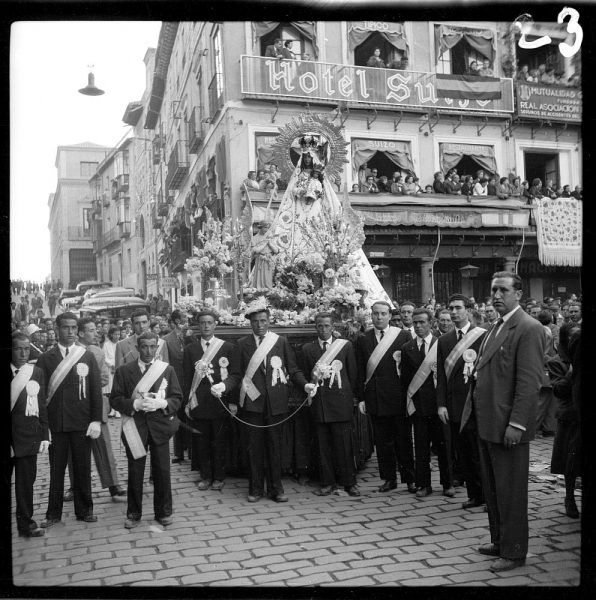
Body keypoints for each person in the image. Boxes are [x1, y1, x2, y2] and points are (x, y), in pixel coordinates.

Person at [460, 271, 546, 572]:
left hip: (508, 425)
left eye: (503, 291)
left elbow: (528, 383)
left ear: (518, 294)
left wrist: (518, 424)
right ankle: (499, 540)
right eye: (493, 290)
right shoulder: (494, 326)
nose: (496, 295)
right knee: (494, 489)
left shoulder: (528, 327)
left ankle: (515, 550)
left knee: (510, 492)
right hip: (487, 422)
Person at [237, 302, 315, 503]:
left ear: (269, 321)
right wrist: (222, 388)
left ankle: (276, 488)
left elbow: (293, 369)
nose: (260, 325)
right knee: (254, 448)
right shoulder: (242, 343)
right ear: (250, 324)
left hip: (275, 403)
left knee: (275, 446)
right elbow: (237, 375)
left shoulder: (279, 342)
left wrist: (305, 385)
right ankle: (255, 488)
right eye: (255, 322)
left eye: (263, 321)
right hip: (252, 403)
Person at [35, 312, 103, 528]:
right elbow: (41, 396)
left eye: (74, 328)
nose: (71, 332)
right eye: (66, 327)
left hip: (81, 423)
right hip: (57, 424)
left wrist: (95, 420)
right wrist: (44, 427)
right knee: (56, 469)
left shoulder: (87, 356)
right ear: (56, 329)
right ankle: (53, 513)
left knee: (82, 467)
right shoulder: (46, 359)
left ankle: (85, 510)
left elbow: (95, 391)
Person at [110, 332, 182, 529]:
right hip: (135, 426)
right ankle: (133, 513)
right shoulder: (124, 371)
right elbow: (115, 399)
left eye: (152, 347)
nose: (148, 351)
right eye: (144, 347)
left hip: (160, 427)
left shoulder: (167, 370)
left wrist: (162, 403)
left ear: (157, 347)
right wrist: (136, 404)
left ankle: (164, 512)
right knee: (135, 471)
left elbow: (177, 398)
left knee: (162, 470)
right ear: (137, 348)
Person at [355, 301, 416, 493]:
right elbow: (359, 372)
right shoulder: (363, 339)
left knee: (403, 440)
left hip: (398, 397)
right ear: (371, 316)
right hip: (376, 398)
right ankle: (389, 478)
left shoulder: (403, 335)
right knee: (382, 442)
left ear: (390, 316)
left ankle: (410, 479)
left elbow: (409, 369)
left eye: (383, 314)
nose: (379, 317)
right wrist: (362, 398)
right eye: (375, 314)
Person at [302, 313, 360, 497]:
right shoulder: (307, 349)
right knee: (323, 446)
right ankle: (327, 483)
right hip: (320, 404)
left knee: (344, 446)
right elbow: (305, 375)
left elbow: (352, 374)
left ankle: (349, 483)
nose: (323, 329)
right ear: (315, 327)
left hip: (340, 403)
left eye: (327, 325)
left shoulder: (344, 346)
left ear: (333, 326)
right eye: (320, 326)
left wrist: (353, 399)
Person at [436, 294, 486, 509]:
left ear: (468, 310)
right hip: (454, 406)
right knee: (464, 454)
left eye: (458, 308)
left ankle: (488, 496)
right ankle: (475, 495)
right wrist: (441, 404)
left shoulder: (483, 336)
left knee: (479, 455)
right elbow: (440, 376)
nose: (454, 312)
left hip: (476, 405)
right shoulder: (444, 340)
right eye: (451, 308)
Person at [183, 310, 241, 490]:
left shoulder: (227, 348)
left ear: (215, 324)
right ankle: (205, 476)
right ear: (198, 325)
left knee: (219, 441)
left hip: (219, 402)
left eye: (209, 322)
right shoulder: (191, 349)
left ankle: (219, 476)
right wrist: (188, 401)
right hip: (199, 402)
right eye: (202, 323)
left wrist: (231, 401)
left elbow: (234, 375)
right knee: (202, 442)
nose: (206, 326)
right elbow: (186, 377)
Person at [401, 308, 454, 499]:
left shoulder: (442, 344)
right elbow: (406, 380)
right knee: (421, 447)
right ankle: (423, 484)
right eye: (415, 323)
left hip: (439, 405)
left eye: (422, 322)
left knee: (443, 446)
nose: (418, 326)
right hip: (419, 406)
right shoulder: (407, 348)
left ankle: (447, 483)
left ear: (431, 323)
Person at [76, 317, 126, 501]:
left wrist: (83, 385)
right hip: (75, 409)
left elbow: (105, 378)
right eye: (90, 330)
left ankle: (114, 485)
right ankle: (75, 488)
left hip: (96, 405)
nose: (95, 333)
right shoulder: (69, 352)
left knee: (104, 447)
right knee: (75, 451)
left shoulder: (97, 351)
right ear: (80, 333)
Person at [11, 332, 50, 537]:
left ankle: (25, 523)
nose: (23, 353)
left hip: (28, 435)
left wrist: (44, 434)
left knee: (26, 483)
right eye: (18, 348)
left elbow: (41, 404)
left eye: (27, 349)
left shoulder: (36, 372)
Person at [548, 323, 581, 518]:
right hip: (569, 416)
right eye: (571, 338)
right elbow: (558, 390)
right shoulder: (557, 361)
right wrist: (572, 373)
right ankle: (569, 497)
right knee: (570, 461)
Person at [163, 310, 191, 464]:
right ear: (173, 323)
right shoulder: (166, 340)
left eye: (186, 320)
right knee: (178, 418)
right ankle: (179, 452)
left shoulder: (192, 336)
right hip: (177, 385)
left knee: (192, 416)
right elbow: (166, 365)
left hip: (192, 383)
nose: (184, 323)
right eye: (180, 320)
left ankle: (193, 451)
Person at [249, 221, 279, 290]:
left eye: (268, 228)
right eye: (265, 227)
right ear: (260, 227)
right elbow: (255, 250)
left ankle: (268, 288)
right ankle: (260, 289)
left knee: (268, 277)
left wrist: (270, 243)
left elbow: (276, 250)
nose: (267, 230)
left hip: (268, 259)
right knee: (260, 276)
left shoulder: (269, 237)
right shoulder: (255, 238)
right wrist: (265, 243)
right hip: (260, 259)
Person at [103, 326, 121, 417]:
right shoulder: (106, 344)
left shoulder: (121, 344)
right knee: (111, 390)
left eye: (119, 334)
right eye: (115, 334)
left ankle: (118, 410)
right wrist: (112, 365)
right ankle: (112, 409)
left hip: (119, 369)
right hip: (110, 369)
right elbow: (104, 357)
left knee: (118, 389)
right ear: (111, 335)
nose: (117, 336)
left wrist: (118, 365)